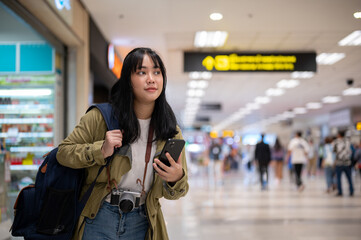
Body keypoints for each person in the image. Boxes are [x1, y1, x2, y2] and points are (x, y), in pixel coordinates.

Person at [56, 47, 189, 240]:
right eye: (142, 72)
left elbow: (176, 193)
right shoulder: (100, 117)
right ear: (128, 79)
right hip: (98, 216)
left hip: (143, 220)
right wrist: (100, 150)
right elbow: (63, 153)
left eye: (157, 72)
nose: (151, 79)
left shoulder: (170, 130)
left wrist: (176, 178)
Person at [332, 130, 354, 197]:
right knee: (349, 178)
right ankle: (351, 191)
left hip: (339, 163)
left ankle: (340, 192)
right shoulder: (348, 141)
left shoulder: (336, 142)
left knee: (338, 178)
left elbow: (334, 151)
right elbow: (351, 151)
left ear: (339, 135)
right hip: (347, 162)